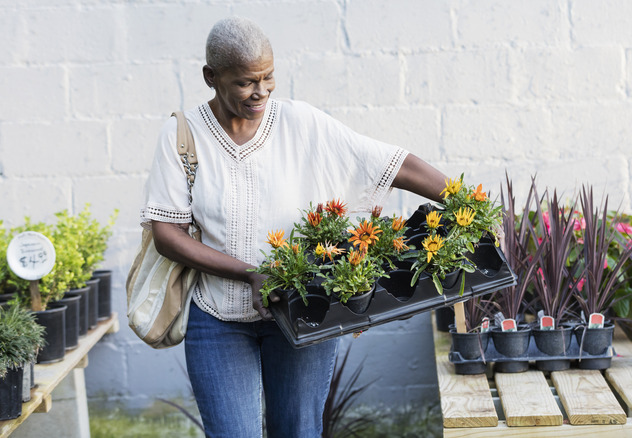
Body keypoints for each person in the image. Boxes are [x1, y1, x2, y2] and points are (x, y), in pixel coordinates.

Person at [140, 16, 448, 438]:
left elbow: (389, 162)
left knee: (299, 432)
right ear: (212, 77)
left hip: (305, 312)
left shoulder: (300, 123)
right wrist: (249, 273)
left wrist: (466, 199)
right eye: (247, 81)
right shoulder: (182, 134)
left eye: (269, 77)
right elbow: (167, 234)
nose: (261, 91)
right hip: (219, 320)